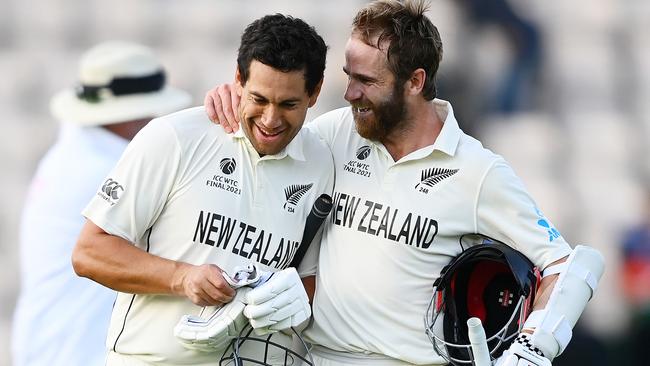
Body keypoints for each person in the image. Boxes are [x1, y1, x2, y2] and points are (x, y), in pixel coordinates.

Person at [204, 1, 604, 365]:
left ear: (414, 81)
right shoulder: (336, 133)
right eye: (348, 76)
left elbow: (568, 264)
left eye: (366, 80)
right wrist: (236, 98)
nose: (349, 93)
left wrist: (534, 346)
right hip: (312, 357)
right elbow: (264, 144)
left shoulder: (477, 171)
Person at [72, 14, 333, 365]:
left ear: (314, 93)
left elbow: (309, 278)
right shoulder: (175, 137)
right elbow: (89, 252)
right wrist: (182, 278)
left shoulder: (322, 163)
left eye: (288, 105)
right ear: (238, 79)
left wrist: (295, 297)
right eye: (258, 99)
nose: (271, 120)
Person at [11, 41, 191, 366]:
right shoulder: (106, 167)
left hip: (47, 345)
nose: (155, 118)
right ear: (130, 111)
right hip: (77, 351)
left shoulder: (71, 154)